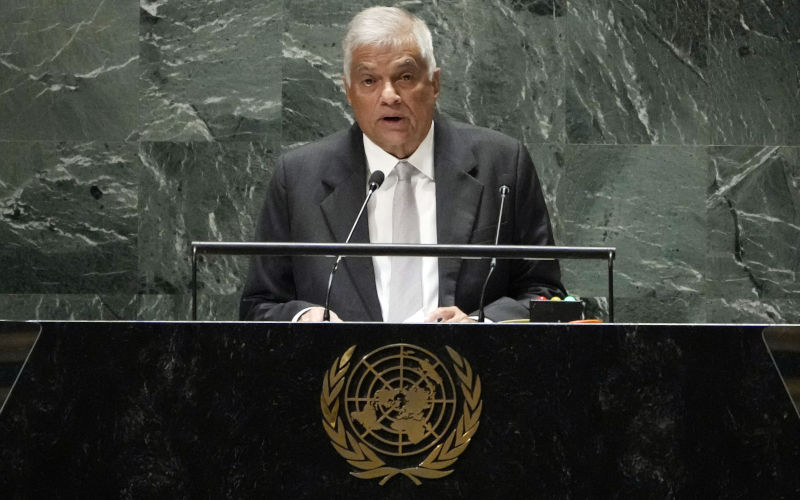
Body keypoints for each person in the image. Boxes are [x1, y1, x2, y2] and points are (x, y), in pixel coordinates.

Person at [240, 6, 564, 323]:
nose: (390, 95)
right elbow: (259, 306)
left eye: (405, 77)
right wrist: (302, 317)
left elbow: (546, 294)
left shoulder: (503, 165)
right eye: (369, 81)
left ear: (435, 83)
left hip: (469, 373)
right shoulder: (298, 178)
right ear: (348, 91)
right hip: (343, 373)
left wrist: (482, 324)